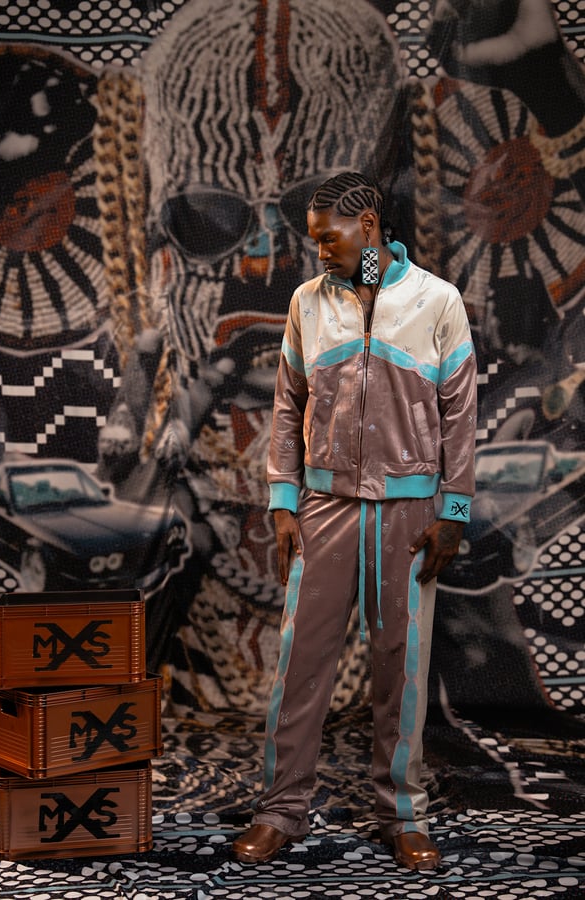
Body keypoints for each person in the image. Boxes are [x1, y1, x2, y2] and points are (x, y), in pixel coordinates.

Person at [232, 171, 477, 872]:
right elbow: (287, 406)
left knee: (402, 668)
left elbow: (461, 415)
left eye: (328, 237)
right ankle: (280, 810)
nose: (319, 251)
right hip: (326, 508)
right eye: (314, 240)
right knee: (300, 664)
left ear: (368, 225)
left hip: (410, 514)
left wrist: (454, 512)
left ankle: (401, 815)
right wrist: (283, 503)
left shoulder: (437, 301)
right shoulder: (308, 303)